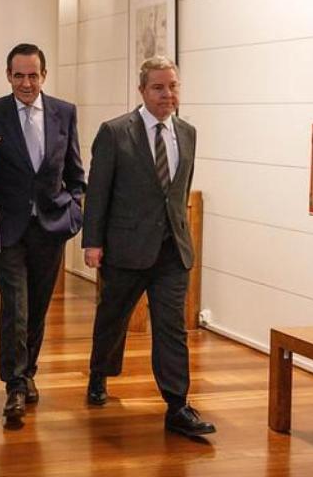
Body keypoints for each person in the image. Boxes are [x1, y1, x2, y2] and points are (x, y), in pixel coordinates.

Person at [82, 55, 216, 437]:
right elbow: (98, 193)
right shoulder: (115, 132)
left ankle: (177, 405)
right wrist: (93, 243)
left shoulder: (187, 133)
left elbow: (178, 191)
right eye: (158, 87)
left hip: (172, 249)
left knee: (171, 327)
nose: (167, 94)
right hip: (125, 247)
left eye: (172, 86)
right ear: (142, 90)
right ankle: (99, 373)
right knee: (113, 317)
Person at [0, 43, 86, 424]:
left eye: (33, 75)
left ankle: (28, 372)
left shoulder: (64, 113)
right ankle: (14, 385)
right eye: (18, 75)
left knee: (37, 306)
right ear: (8, 76)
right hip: (8, 226)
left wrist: (74, 208)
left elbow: (75, 172)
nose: (26, 82)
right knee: (15, 306)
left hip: (50, 227)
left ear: (44, 75)